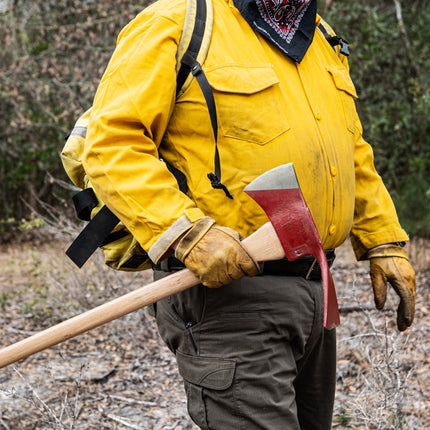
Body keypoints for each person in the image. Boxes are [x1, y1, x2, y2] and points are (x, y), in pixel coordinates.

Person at [82, 0, 417, 428]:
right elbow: (112, 143)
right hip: (229, 299)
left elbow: (349, 151)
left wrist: (382, 239)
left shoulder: (318, 36)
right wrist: (187, 234)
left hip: (316, 288)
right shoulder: (177, 22)